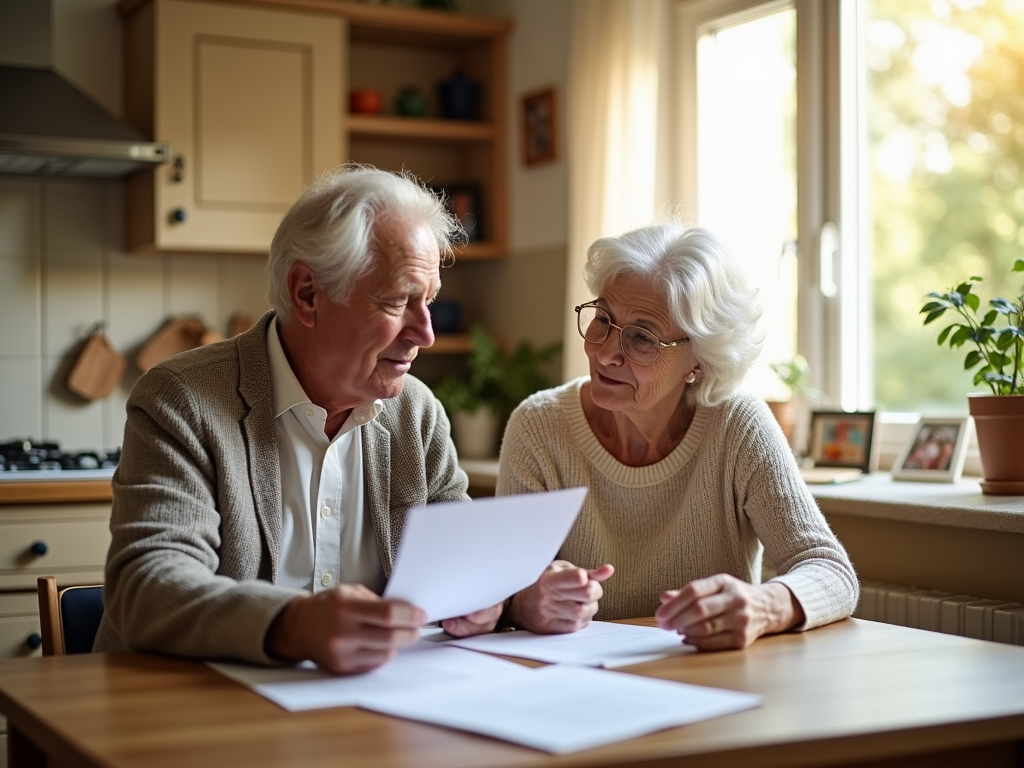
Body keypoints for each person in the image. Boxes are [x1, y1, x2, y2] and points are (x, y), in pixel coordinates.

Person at [94, 165, 502, 672]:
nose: (426, 333)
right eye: (399, 301)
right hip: (187, 711)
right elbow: (148, 586)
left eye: (430, 303)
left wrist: (505, 596)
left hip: (368, 710)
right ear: (308, 293)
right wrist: (292, 624)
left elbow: (462, 567)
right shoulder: (183, 398)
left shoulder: (415, 413)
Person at [497, 223, 858, 650]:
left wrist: (765, 605)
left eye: (642, 338)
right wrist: (524, 602)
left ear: (699, 363)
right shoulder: (539, 426)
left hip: (710, 678)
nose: (606, 352)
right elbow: (497, 589)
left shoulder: (737, 426)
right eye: (603, 320)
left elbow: (829, 569)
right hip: (577, 687)